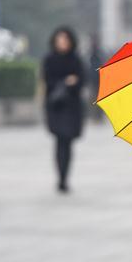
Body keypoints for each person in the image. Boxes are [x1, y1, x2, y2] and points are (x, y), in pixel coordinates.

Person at [42, 26, 86, 193]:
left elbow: (82, 80)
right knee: (60, 141)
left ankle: (64, 177)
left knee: (67, 142)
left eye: (65, 40)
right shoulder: (49, 59)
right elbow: (47, 81)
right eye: (59, 40)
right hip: (55, 107)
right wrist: (65, 82)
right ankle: (61, 177)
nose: (62, 43)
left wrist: (74, 82)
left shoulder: (76, 59)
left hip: (72, 107)